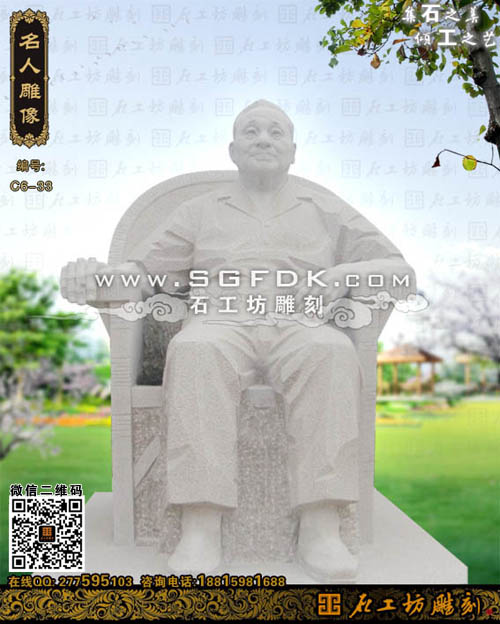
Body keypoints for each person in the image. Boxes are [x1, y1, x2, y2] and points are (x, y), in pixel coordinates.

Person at [61, 100, 411, 580]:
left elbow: (400, 272)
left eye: (275, 132)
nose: (263, 139)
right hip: (219, 321)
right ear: (232, 149)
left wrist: (346, 274)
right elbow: (141, 273)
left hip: (301, 323)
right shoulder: (198, 210)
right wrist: (92, 277)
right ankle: (200, 524)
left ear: (293, 151)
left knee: (331, 353)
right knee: (194, 351)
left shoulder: (325, 210)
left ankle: (321, 525)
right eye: (251, 131)